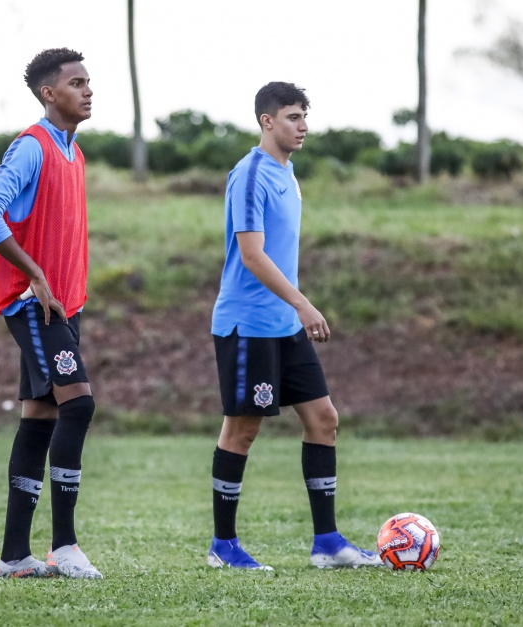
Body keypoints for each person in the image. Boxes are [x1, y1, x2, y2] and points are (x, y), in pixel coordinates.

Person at [207, 82, 381, 571]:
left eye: (305, 117)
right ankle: (223, 546)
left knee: (323, 419)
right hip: (248, 325)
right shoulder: (250, 174)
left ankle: (327, 543)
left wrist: (295, 312)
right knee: (242, 431)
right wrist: (304, 304)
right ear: (267, 121)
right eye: (292, 117)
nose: (303, 126)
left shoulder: (289, 172)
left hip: (284, 327)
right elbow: (252, 254)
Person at [0, 48, 101, 580]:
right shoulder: (32, 147)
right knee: (80, 405)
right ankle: (64, 545)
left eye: (90, 82)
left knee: (40, 416)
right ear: (50, 93)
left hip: (63, 308)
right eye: (77, 82)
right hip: (33, 304)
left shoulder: (75, 152)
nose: (88, 90)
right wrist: (35, 275)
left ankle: (13, 557)